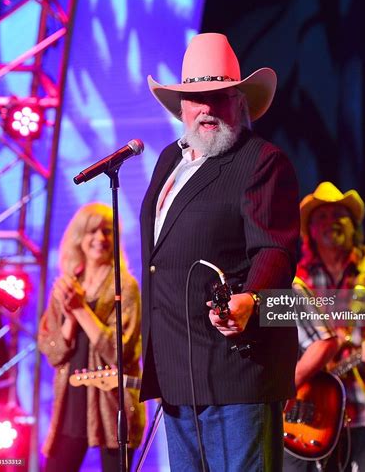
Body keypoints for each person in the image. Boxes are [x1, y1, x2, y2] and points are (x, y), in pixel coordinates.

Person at [139, 32, 300, 471]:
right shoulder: (169, 162)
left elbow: (275, 249)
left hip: (237, 371)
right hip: (178, 370)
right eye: (196, 98)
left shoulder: (261, 161)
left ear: (240, 102)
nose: (207, 108)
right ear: (182, 108)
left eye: (218, 96)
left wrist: (252, 297)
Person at [286, 181, 365, 472]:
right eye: (321, 216)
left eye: (339, 215)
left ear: (354, 225)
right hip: (308, 416)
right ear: (309, 232)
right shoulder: (295, 280)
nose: (331, 222)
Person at [38, 203, 145, 472]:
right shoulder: (66, 285)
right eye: (93, 231)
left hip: (112, 405)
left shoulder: (125, 287)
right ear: (79, 237)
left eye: (107, 232)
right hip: (72, 401)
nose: (100, 238)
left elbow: (122, 353)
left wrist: (80, 309)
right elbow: (51, 350)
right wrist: (70, 319)